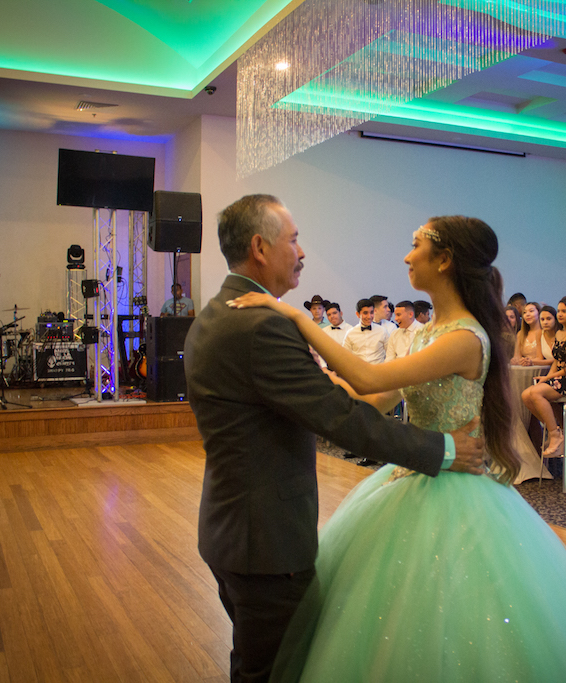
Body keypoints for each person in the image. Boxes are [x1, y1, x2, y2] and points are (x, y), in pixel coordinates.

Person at [231, 215, 566, 683]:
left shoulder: (465, 338)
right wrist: (299, 383)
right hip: (413, 472)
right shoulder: (431, 333)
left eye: (415, 245)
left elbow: (368, 377)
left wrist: (294, 318)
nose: (407, 256)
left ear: (445, 260)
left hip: (454, 487)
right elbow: (373, 399)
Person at [182, 195, 486, 683]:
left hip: (234, 527)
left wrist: (305, 339)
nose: (302, 251)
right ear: (259, 248)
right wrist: (443, 448)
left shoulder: (220, 312)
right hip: (264, 540)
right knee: (275, 669)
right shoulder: (261, 324)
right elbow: (342, 414)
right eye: (294, 239)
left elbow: (347, 398)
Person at [521, 296, 566, 457]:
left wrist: (551, 378)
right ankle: (559, 430)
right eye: (559, 311)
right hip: (563, 378)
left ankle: (554, 435)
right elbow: (557, 361)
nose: (560, 314)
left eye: (564, 311)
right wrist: (548, 377)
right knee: (526, 395)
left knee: (536, 393)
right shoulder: (560, 333)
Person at [343, 298, 390, 363]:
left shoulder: (382, 331)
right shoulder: (350, 333)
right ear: (357, 314)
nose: (369, 316)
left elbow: (390, 353)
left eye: (371, 312)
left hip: (378, 367)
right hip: (358, 368)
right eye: (365, 313)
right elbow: (345, 356)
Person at [510, 301, 543, 366]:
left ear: (539, 313)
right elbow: (517, 356)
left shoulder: (543, 332)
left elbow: (541, 358)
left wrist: (530, 361)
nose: (527, 314)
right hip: (524, 368)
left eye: (531, 311)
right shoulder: (520, 334)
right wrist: (515, 360)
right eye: (524, 312)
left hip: (541, 368)